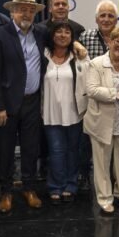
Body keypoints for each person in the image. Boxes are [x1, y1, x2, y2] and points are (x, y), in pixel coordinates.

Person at [0, 0, 48, 212]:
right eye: (21, 9)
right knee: (5, 150)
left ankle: (29, 188)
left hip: (33, 102)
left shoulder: (41, 33)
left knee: (31, 148)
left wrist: (77, 46)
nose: (26, 14)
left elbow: (65, 37)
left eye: (30, 10)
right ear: (12, 11)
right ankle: (6, 191)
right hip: (6, 105)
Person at [84, 28, 119, 213]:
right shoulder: (96, 63)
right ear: (110, 42)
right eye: (118, 42)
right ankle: (104, 197)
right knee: (102, 163)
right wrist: (118, 93)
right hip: (101, 121)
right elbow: (92, 90)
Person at [42, 21, 89, 204]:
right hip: (50, 113)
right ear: (52, 35)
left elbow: (89, 79)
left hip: (74, 113)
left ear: (72, 37)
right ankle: (56, 186)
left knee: (73, 151)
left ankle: (71, 185)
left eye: (67, 32)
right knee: (56, 151)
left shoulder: (78, 57)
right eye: (59, 32)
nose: (63, 35)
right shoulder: (43, 55)